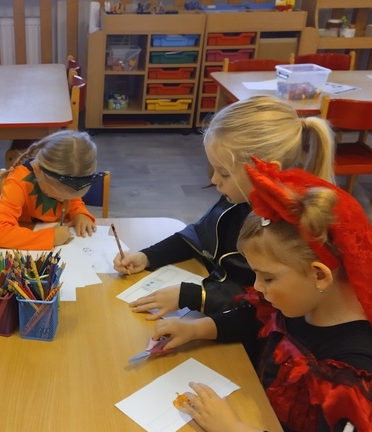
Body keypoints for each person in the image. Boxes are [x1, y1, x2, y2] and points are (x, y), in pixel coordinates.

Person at [154, 159, 372, 432]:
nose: (257, 288)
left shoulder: (355, 363)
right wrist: (196, 329)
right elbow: (255, 319)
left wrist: (233, 431)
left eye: (267, 278)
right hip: (268, 430)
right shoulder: (301, 301)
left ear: (319, 275)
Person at [114, 96, 335, 319]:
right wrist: (147, 256)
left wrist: (193, 296)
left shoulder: (281, 232)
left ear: (265, 171)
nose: (214, 180)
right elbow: (198, 235)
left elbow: (260, 302)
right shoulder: (239, 199)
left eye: (224, 173)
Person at [0, 130, 105, 250]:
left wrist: (79, 213)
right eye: (56, 197)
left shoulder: (68, 177)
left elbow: (74, 201)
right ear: (37, 170)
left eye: (69, 198)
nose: (64, 201)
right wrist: (51, 237)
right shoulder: (17, 183)